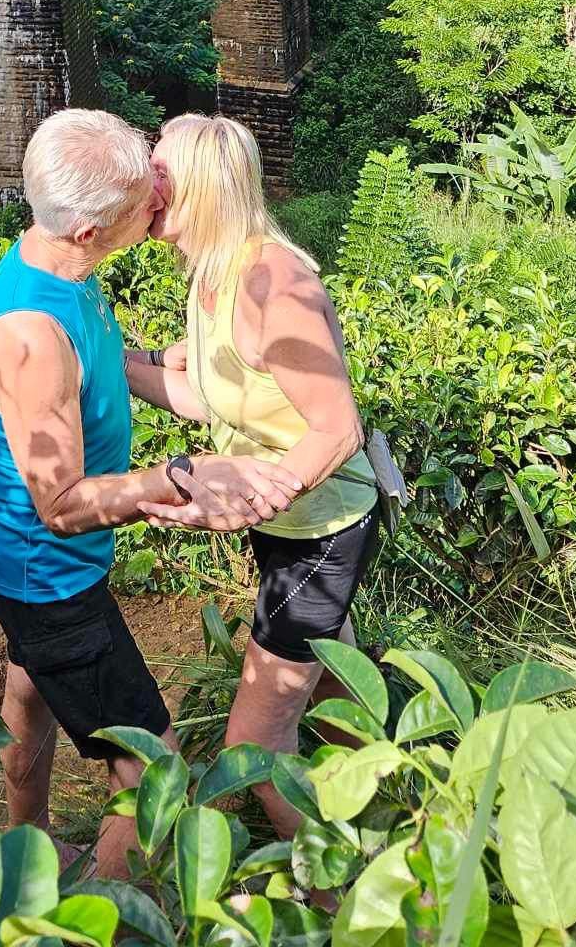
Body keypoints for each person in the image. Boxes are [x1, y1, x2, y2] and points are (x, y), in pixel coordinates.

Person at [0, 109, 300, 877]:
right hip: (50, 578)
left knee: (32, 689)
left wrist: (157, 362)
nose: (158, 200)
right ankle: (100, 917)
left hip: (26, 567)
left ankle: (26, 845)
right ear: (89, 229)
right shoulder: (31, 335)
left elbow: (86, 372)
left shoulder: (58, 267)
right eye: (142, 199)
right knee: (153, 768)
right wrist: (176, 478)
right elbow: (61, 505)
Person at [127, 114, 381, 841]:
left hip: (322, 530)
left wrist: (251, 500)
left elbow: (337, 427)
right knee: (333, 686)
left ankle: (338, 887)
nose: (143, 186)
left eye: (159, 173)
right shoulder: (212, 273)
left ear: (203, 188)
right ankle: (387, 811)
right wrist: (105, 359)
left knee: (255, 747)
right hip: (286, 528)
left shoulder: (276, 284)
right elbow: (204, 396)